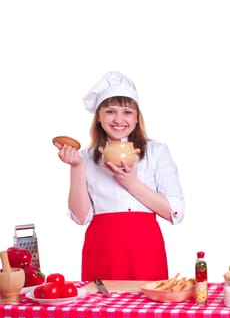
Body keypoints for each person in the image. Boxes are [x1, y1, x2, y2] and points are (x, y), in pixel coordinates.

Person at [55, 71, 185, 281]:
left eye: (127, 111)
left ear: (136, 117)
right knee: (99, 312)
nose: (119, 119)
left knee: (146, 312)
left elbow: (175, 212)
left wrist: (131, 183)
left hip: (145, 249)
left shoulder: (156, 151)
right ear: (98, 116)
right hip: (102, 250)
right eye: (110, 111)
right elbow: (80, 217)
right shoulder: (84, 158)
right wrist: (77, 167)